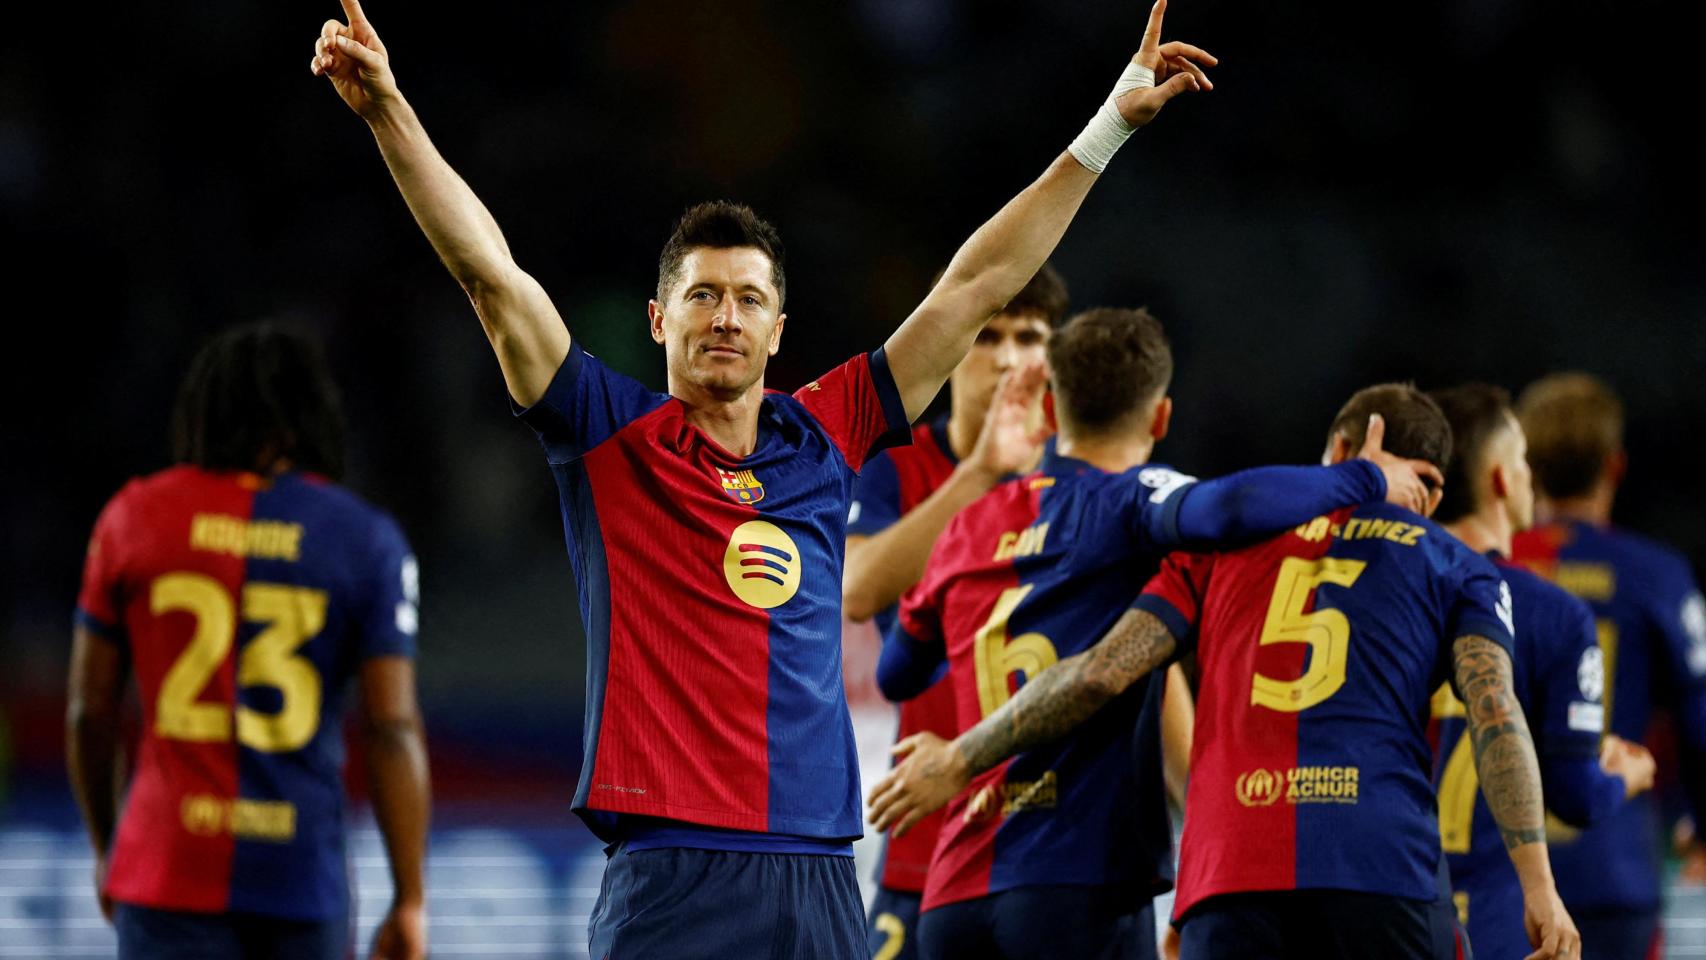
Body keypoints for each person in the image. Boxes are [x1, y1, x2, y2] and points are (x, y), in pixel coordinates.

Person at [310, 0, 1218, 953]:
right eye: (701, 295)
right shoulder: (607, 433)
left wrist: (1109, 125)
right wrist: (387, 112)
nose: (726, 318)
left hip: (819, 868)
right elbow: (489, 276)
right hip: (669, 868)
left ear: (778, 331)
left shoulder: (828, 430)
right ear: (661, 320)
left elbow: (978, 282)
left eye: (749, 299)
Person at [870, 383, 1582, 960]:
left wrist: (962, 756)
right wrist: (1539, 888)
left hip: (1229, 879)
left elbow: (1096, 674)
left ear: (1337, 450)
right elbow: (1495, 712)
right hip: (1382, 871)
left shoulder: (1218, 553)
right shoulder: (1456, 565)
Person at [67, 323, 430, 960]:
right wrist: (409, 898)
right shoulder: (365, 539)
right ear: (311, 418)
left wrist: (105, 847)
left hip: (163, 868)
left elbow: (88, 712)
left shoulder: (132, 519)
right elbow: (391, 725)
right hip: (301, 877)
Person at [844, 264, 1066, 960]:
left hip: (1057, 843)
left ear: (1053, 357)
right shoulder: (898, 464)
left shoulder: (1086, 472)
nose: (1006, 356)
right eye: (987, 332)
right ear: (955, 347)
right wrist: (980, 477)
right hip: (928, 839)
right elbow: (856, 588)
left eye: (1027, 336)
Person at [1427, 383, 1655, 960]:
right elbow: (1574, 795)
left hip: (1380, 900)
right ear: (1504, 478)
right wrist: (1625, 775)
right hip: (1504, 908)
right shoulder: (1548, 608)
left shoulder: (1376, 595)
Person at [1510, 372, 1706, 959]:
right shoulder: (1655, 575)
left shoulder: (1476, 566)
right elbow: (1700, 723)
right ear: (1614, 466)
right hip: (1610, 865)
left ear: (1525, 465)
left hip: (1493, 870)